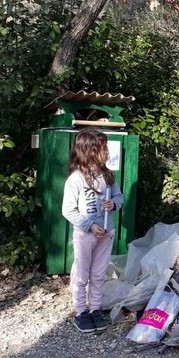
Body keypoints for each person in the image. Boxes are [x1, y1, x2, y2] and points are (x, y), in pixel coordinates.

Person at [62, 129, 123, 333]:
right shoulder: (76, 179)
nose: (107, 152)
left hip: (107, 233)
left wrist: (113, 204)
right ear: (89, 151)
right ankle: (81, 312)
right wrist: (89, 225)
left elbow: (120, 198)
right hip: (85, 235)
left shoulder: (108, 176)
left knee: (98, 274)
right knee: (82, 274)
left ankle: (95, 309)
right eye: (103, 148)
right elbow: (68, 210)